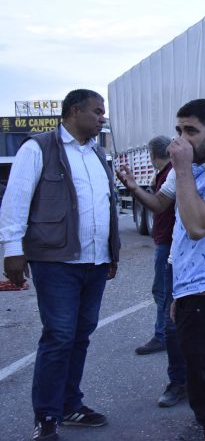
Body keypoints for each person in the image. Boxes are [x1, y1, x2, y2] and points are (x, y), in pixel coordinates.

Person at [117, 99, 205, 440]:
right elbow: (164, 207)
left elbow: (197, 226)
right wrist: (133, 187)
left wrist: (182, 169)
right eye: (178, 130)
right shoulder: (195, 172)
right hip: (193, 294)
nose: (182, 139)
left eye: (191, 130)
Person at [0, 89, 120, 441]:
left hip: (95, 263)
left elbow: (106, 206)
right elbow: (16, 200)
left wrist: (111, 253)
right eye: (97, 111)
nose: (102, 118)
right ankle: (48, 415)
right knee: (59, 336)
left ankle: (70, 405)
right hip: (55, 261)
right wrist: (11, 250)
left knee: (80, 335)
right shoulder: (38, 148)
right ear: (73, 111)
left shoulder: (99, 154)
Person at [134, 135, 172, 356]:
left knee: (163, 291)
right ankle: (167, 333)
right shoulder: (167, 174)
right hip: (167, 240)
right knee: (167, 291)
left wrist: (136, 189)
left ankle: (162, 335)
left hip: (166, 241)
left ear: (152, 154)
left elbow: (159, 206)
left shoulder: (168, 175)